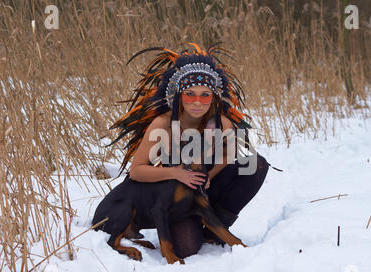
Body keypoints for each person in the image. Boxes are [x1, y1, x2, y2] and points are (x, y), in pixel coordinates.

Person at [100, 43, 270, 259]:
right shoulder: (162, 124)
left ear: (214, 96)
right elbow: (136, 171)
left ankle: (215, 228)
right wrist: (178, 173)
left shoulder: (221, 123)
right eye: (190, 94)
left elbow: (228, 155)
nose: (197, 101)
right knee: (187, 248)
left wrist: (209, 175)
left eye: (204, 95)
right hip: (176, 191)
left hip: (203, 185)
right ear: (179, 95)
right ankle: (195, 224)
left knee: (254, 165)